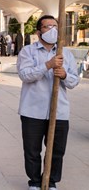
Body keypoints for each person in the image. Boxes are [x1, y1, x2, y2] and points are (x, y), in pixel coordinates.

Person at [17, 15, 79, 190]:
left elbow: (74, 81)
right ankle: (35, 182)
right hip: (32, 110)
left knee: (57, 151)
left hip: (59, 111)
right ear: (38, 32)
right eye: (47, 26)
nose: (52, 30)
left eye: (55, 26)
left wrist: (65, 75)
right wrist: (48, 65)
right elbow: (25, 75)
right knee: (32, 150)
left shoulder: (66, 53)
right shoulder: (27, 51)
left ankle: (51, 181)